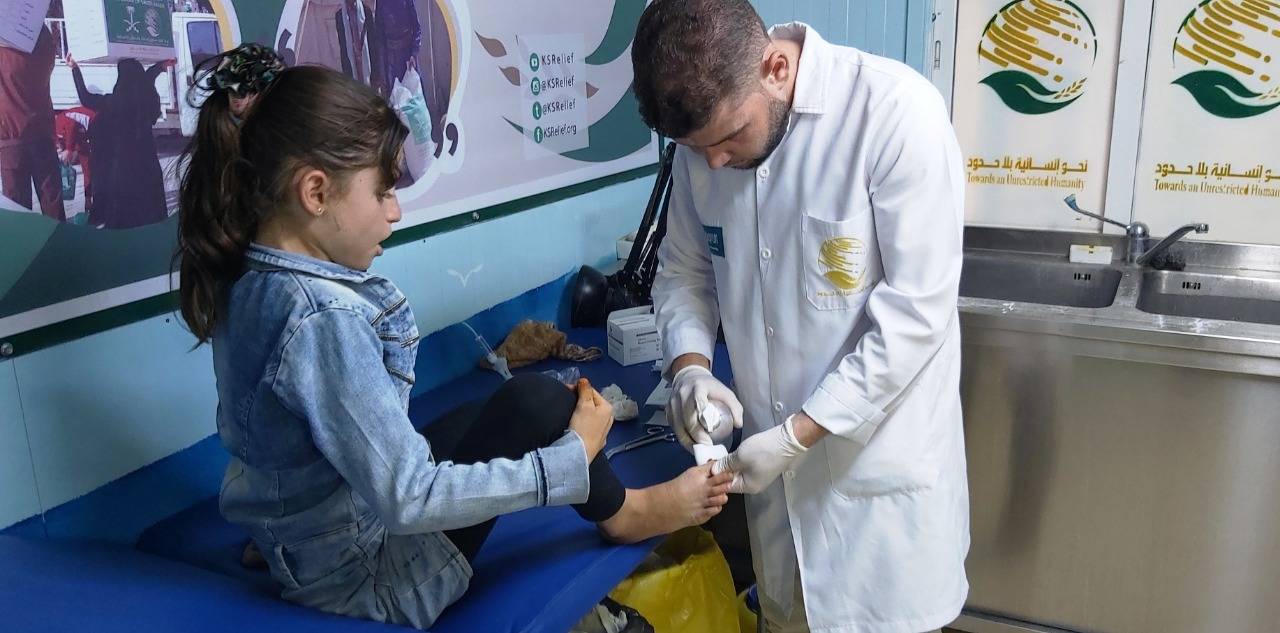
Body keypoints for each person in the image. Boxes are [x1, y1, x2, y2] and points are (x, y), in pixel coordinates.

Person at [173, 63, 733, 630]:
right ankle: (627, 513)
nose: (395, 211)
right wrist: (571, 457)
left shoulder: (253, 278)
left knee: (488, 412)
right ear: (315, 192)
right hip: (376, 581)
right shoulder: (323, 318)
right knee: (541, 403)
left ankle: (299, 541)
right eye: (382, 192)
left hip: (303, 541)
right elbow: (410, 498)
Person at [631, 1, 970, 632]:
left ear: (776, 68)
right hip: (777, 506)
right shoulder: (702, 149)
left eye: (729, 137)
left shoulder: (893, 114)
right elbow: (685, 272)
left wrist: (796, 436)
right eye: (696, 149)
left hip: (877, 496)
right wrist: (690, 369)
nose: (714, 163)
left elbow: (916, 314)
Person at [68, 54, 174, 229]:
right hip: (147, 162)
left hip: (124, 164)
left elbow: (85, 98)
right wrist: (159, 67)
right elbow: (146, 81)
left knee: (126, 206)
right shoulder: (148, 102)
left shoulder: (113, 102)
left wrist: (75, 69)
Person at [0, 26, 66, 221]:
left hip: (11, 138)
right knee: (52, 200)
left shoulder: (4, 52)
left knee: (17, 207)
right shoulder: (44, 48)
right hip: (42, 134)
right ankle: (58, 239)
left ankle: (23, 241)